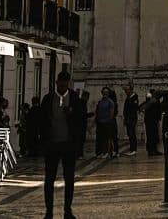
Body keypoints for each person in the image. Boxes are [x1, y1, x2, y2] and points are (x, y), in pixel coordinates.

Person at [38, 71, 85, 219]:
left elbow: (81, 120)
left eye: (66, 82)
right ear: (57, 82)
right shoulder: (48, 99)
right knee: (49, 179)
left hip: (68, 144)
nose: (63, 85)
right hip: (51, 144)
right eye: (61, 82)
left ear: (68, 83)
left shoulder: (75, 99)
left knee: (69, 178)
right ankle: (49, 211)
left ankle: (67, 210)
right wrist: (43, 141)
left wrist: (72, 114)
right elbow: (43, 120)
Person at [95, 87, 118, 158]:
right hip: (100, 122)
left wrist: (109, 120)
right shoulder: (101, 101)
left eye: (106, 92)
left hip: (107, 122)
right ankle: (102, 152)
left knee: (108, 138)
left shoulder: (110, 102)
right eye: (104, 92)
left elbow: (111, 112)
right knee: (101, 138)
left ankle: (108, 152)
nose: (105, 93)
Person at [143, 90, 163, 156]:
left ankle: (154, 150)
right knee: (150, 135)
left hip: (154, 120)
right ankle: (151, 150)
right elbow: (144, 107)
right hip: (150, 120)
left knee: (154, 135)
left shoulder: (155, 100)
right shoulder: (151, 100)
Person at [122, 84, 139, 156]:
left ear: (131, 90)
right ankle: (132, 149)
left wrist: (129, 118)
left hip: (132, 118)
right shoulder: (128, 98)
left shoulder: (134, 98)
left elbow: (134, 109)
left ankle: (133, 149)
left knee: (132, 134)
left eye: (127, 90)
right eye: (125, 90)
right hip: (128, 118)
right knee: (130, 134)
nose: (126, 91)